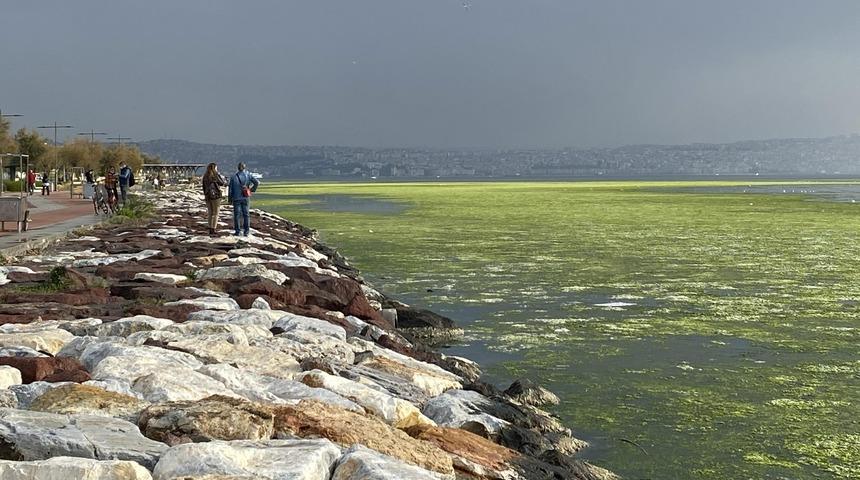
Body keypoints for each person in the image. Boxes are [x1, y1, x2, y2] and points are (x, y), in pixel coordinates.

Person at [227, 162, 259, 236]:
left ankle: (237, 231)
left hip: (236, 198)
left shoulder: (233, 177)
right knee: (246, 214)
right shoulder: (248, 175)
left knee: (237, 215)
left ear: (238, 168)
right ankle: (246, 231)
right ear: (244, 167)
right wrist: (251, 190)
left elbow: (230, 189)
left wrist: (230, 199)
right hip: (245, 197)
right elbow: (256, 182)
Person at [201, 163, 226, 234]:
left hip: (208, 196)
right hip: (216, 196)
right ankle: (213, 228)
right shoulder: (215, 175)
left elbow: (203, 187)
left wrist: (205, 194)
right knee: (216, 213)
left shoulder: (205, 176)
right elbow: (221, 183)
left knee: (210, 212)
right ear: (214, 168)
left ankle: (210, 227)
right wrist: (218, 174)